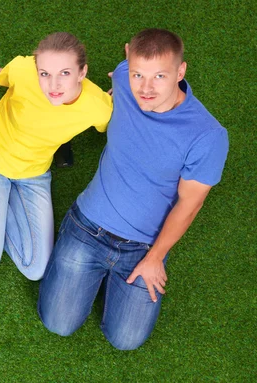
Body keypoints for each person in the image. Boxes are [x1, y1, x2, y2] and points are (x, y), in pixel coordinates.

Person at [37, 29, 229, 350]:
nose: (146, 88)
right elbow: (123, 75)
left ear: (180, 72)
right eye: (139, 74)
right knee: (57, 323)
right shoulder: (125, 77)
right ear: (128, 59)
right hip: (88, 226)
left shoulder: (208, 136)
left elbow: (189, 205)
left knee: (125, 340)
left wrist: (155, 257)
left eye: (159, 76)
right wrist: (123, 78)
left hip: (143, 247)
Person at [0, 32, 113, 281]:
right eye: (44, 73)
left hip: (33, 174)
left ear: (82, 72)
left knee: (35, 269)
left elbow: (118, 125)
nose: (53, 85)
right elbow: (2, 75)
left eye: (65, 73)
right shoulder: (24, 71)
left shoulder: (97, 105)